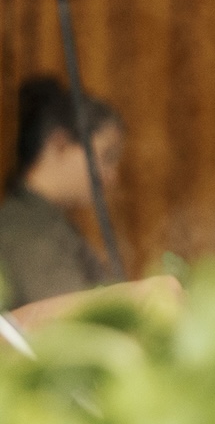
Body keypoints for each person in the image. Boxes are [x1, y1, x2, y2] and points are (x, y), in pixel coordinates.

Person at [0, 76, 123, 310]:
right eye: (106, 156)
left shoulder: (43, 221)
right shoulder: (27, 232)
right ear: (60, 144)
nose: (112, 176)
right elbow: (72, 321)